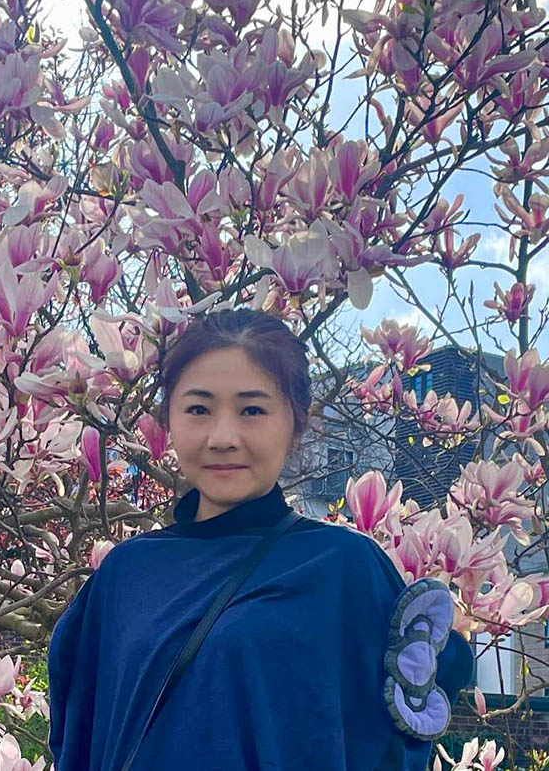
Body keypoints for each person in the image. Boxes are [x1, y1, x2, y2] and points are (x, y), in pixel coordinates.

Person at [47, 308, 475, 771]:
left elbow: (391, 747)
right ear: (168, 419)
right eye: (198, 409)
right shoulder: (124, 575)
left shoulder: (342, 569)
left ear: (295, 422)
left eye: (252, 409)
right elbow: (83, 739)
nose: (223, 437)